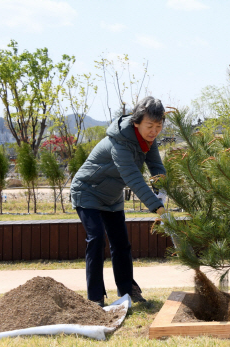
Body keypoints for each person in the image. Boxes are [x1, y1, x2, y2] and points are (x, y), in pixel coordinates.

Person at [70, 96, 168, 306]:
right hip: (87, 191)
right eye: (149, 125)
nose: (154, 131)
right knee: (96, 239)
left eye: (158, 126)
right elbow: (133, 178)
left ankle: (128, 290)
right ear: (136, 122)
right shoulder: (119, 143)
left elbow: (157, 169)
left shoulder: (149, 141)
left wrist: (162, 192)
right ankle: (95, 297)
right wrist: (158, 208)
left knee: (121, 243)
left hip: (112, 197)